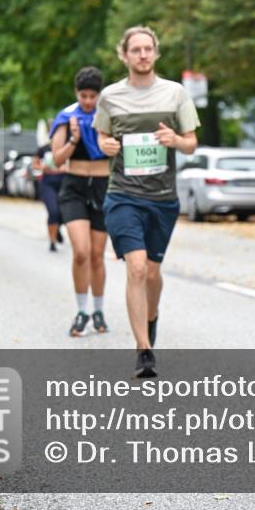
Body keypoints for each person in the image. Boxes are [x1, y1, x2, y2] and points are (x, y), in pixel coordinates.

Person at [95, 27, 199, 377]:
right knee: (136, 266)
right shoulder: (110, 96)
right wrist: (105, 144)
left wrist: (175, 140)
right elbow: (103, 134)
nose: (142, 55)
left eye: (148, 49)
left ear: (155, 53)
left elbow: (191, 143)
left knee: (153, 272)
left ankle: (150, 319)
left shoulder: (175, 94)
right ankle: (143, 350)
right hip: (123, 194)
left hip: (162, 199)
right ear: (123, 55)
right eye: (135, 49)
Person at [51, 66, 111, 337]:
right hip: (74, 187)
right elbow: (57, 158)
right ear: (77, 93)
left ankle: (98, 309)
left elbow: (117, 152)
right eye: (83, 95)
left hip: (102, 186)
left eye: (92, 96)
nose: (88, 101)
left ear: (99, 95)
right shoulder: (66, 117)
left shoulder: (108, 116)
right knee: (82, 251)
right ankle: (81, 310)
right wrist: (75, 137)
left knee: (98, 255)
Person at [33, 142, 66, 252]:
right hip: (48, 183)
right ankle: (52, 241)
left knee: (63, 213)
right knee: (53, 211)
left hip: (64, 183)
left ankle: (57, 229)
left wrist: (63, 169)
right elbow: (35, 165)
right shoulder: (44, 149)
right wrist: (44, 167)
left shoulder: (67, 146)